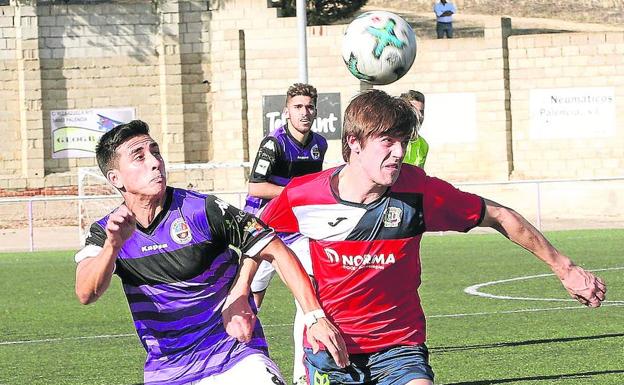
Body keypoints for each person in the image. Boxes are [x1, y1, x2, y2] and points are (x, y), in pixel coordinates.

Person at [258, 90, 606, 385]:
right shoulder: (305, 195)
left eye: (403, 142)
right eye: (387, 142)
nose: (399, 152)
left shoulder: (419, 191)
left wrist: (565, 267)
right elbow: (257, 240)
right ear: (354, 143)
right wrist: (243, 296)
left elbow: (499, 215)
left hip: (399, 347)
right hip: (330, 348)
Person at [73, 120, 348, 385]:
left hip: (235, 355)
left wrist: (313, 317)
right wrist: (113, 246)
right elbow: (86, 293)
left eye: (155, 152)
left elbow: (271, 244)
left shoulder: (201, 209)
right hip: (168, 369)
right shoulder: (106, 231)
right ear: (115, 178)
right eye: (140, 157)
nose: (155, 162)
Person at [244, 83, 327, 385]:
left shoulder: (319, 144)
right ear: (286, 111)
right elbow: (255, 187)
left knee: (309, 295)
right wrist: (297, 195)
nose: (304, 112)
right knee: (250, 302)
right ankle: (238, 364)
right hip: (261, 230)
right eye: (298, 107)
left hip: (295, 231)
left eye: (309, 107)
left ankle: (303, 374)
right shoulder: (273, 143)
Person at [400, 90, 429, 168]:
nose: (420, 116)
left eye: (421, 112)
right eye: (415, 111)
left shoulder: (423, 144)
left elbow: (420, 176)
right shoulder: (391, 140)